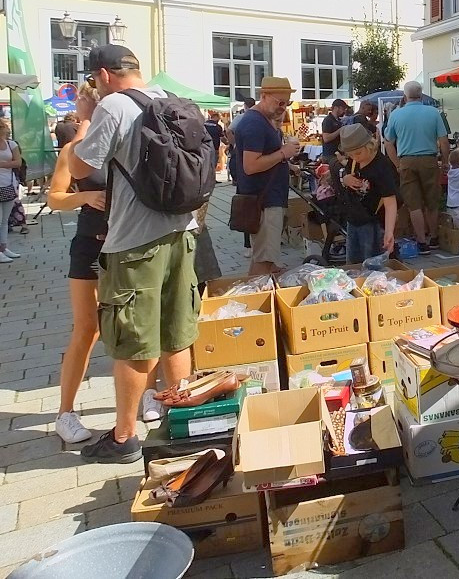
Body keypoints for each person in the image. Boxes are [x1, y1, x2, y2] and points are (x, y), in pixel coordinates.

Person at [66, 45, 199, 463]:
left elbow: (80, 167)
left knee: (132, 339)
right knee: (177, 331)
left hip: (134, 241)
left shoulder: (114, 107)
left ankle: (124, 437)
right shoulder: (171, 99)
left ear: (103, 74)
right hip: (184, 231)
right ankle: (182, 425)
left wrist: (86, 118)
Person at [47, 84, 107, 444]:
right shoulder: (74, 148)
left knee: (136, 326)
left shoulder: (125, 143)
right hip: (90, 242)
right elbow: (55, 198)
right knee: (87, 327)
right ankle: (65, 412)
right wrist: (85, 195)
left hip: (129, 242)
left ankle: (147, 394)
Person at [232, 77, 299, 274]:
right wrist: (283, 153)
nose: (283, 107)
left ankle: (258, 297)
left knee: (267, 259)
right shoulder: (255, 123)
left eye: (286, 103)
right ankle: (255, 300)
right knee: (264, 260)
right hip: (264, 201)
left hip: (267, 199)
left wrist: (285, 160)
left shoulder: (261, 121)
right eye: (280, 102)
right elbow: (250, 166)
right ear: (263, 96)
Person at [382, 82, 448, 255]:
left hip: (406, 161)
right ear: (421, 95)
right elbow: (444, 141)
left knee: (414, 204)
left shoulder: (396, 114)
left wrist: (397, 164)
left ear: (405, 96)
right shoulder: (433, 113)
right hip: (429, 160)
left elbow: (388, 142)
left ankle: (421, 242)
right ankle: (433, 237)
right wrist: (446, 162)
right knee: (432, 201)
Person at [331, 124, 397, 263]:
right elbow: (348, 174)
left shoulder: (382, 166)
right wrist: (346, 179)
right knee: (353, 264)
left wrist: (389, 232)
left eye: (359, 153)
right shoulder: (354, 160)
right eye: (351, 154)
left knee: (372, 265)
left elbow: (390, 202)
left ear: (369, 145)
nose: (355, 157)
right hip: (354, 219)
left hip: (373, 223)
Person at [0, 119, 23, 263]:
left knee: (4, 220)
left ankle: (3, 247)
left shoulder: (11, 144)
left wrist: (2, 164)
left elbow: (18, 162)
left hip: (8, 184)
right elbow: (13, 162)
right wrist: (8, 164)